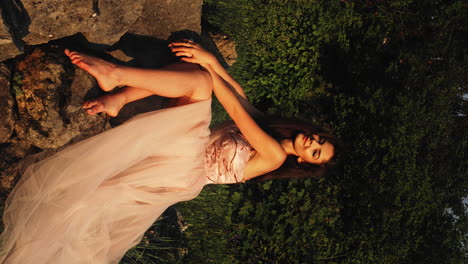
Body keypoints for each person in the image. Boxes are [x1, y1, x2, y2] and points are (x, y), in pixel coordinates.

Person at [0, 42, 335, 264]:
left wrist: (209, 71)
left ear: (304, 162)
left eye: (317, 152)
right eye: (320, 138)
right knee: (195, 75)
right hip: (184, 144)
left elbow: (233, 106)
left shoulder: (274, 156)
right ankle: (118, 97)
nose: (313, 142)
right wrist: (211, 61)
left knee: (200, 83)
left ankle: (115, 78)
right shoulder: (266, 125)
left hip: (181, 169)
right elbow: (235, 91)